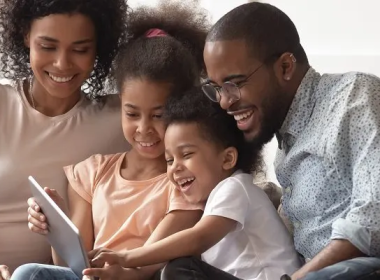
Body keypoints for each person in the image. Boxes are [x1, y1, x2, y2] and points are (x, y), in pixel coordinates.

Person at [11, 2, 210, 280]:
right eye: (131, 113)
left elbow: (151, 261)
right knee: (28, 274)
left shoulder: (183, 183)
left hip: (134, 277)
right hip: (88, 276)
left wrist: (120, 273)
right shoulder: (92, 172)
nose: (143, 129)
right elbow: (72, 265)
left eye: (158, 115)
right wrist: (57, 225)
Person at [199, 2, 380, 280]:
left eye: (234, 84)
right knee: (182, 268)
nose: (224, 101)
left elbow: (373, 219)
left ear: (285, 66)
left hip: (360, 271)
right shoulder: (285, 142)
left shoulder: (353, 98)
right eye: (216, 88)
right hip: (302, 271)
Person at [82, 87, 301, 280]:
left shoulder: (236, 188)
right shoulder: (210, 205)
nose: (175, 167)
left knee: (180, 269)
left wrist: (127, 256)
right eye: (169, 160)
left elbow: (199, 238)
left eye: (186, 154)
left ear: (227, 159)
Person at [0, 0, 130, 278]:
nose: (62, 64)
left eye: (81, 49)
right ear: (25, 36)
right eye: (47, 46)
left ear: (98, 47)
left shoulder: (124, 121)